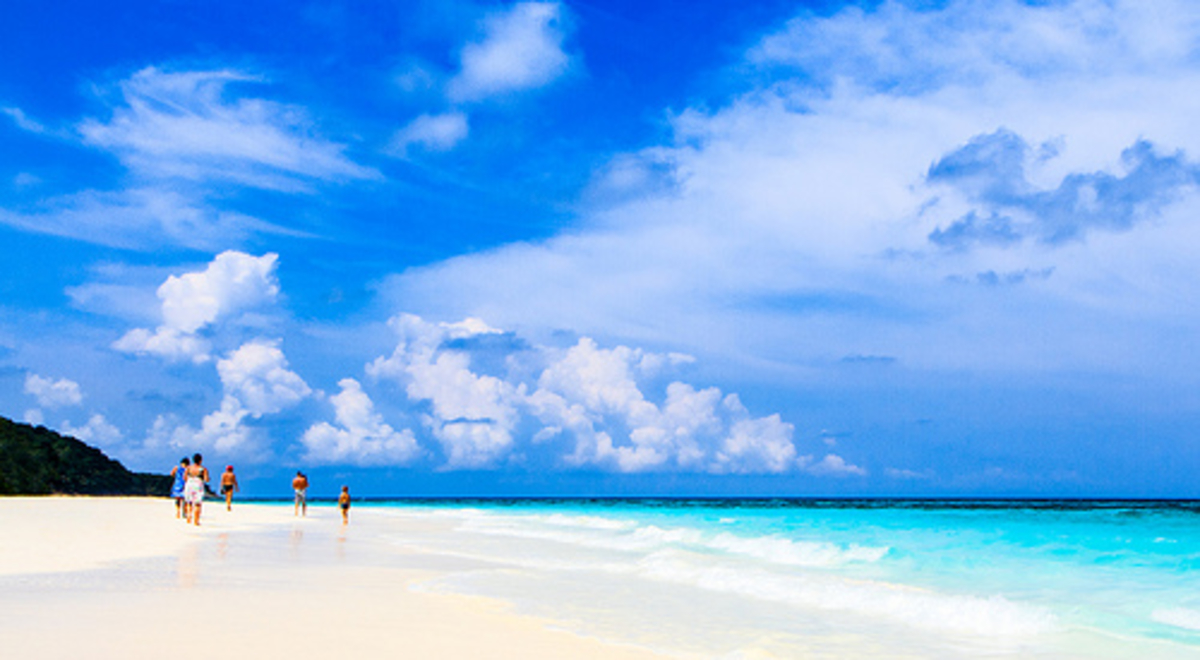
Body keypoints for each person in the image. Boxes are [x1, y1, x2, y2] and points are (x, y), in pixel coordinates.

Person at [183, 453, 209, 526]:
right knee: (197, 503)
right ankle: (196, 521)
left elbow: (184, 477)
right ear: (200, 460)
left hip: (190, 483)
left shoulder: (189, 468)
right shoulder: (203, 469)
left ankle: (188, 518)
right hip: (198, 484)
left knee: (189, 502)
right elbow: (206, 479)